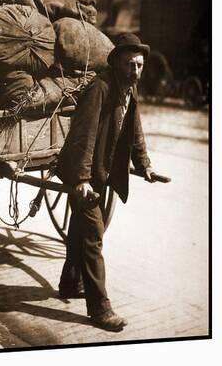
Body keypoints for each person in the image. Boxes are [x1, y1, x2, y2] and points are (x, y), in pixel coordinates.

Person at [55, 33, 154, 332]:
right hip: (82, 173)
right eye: (129, 65)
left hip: (101, 173)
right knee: (94, 234)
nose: (134, 71)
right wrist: (82, 179)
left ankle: (70, 283)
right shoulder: (101, 89)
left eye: (139, 66)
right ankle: (100, 309)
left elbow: (134, 130)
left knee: (82, 229)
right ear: (116, 63)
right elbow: (84, 136)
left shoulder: (129, 91)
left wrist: (144, 164)